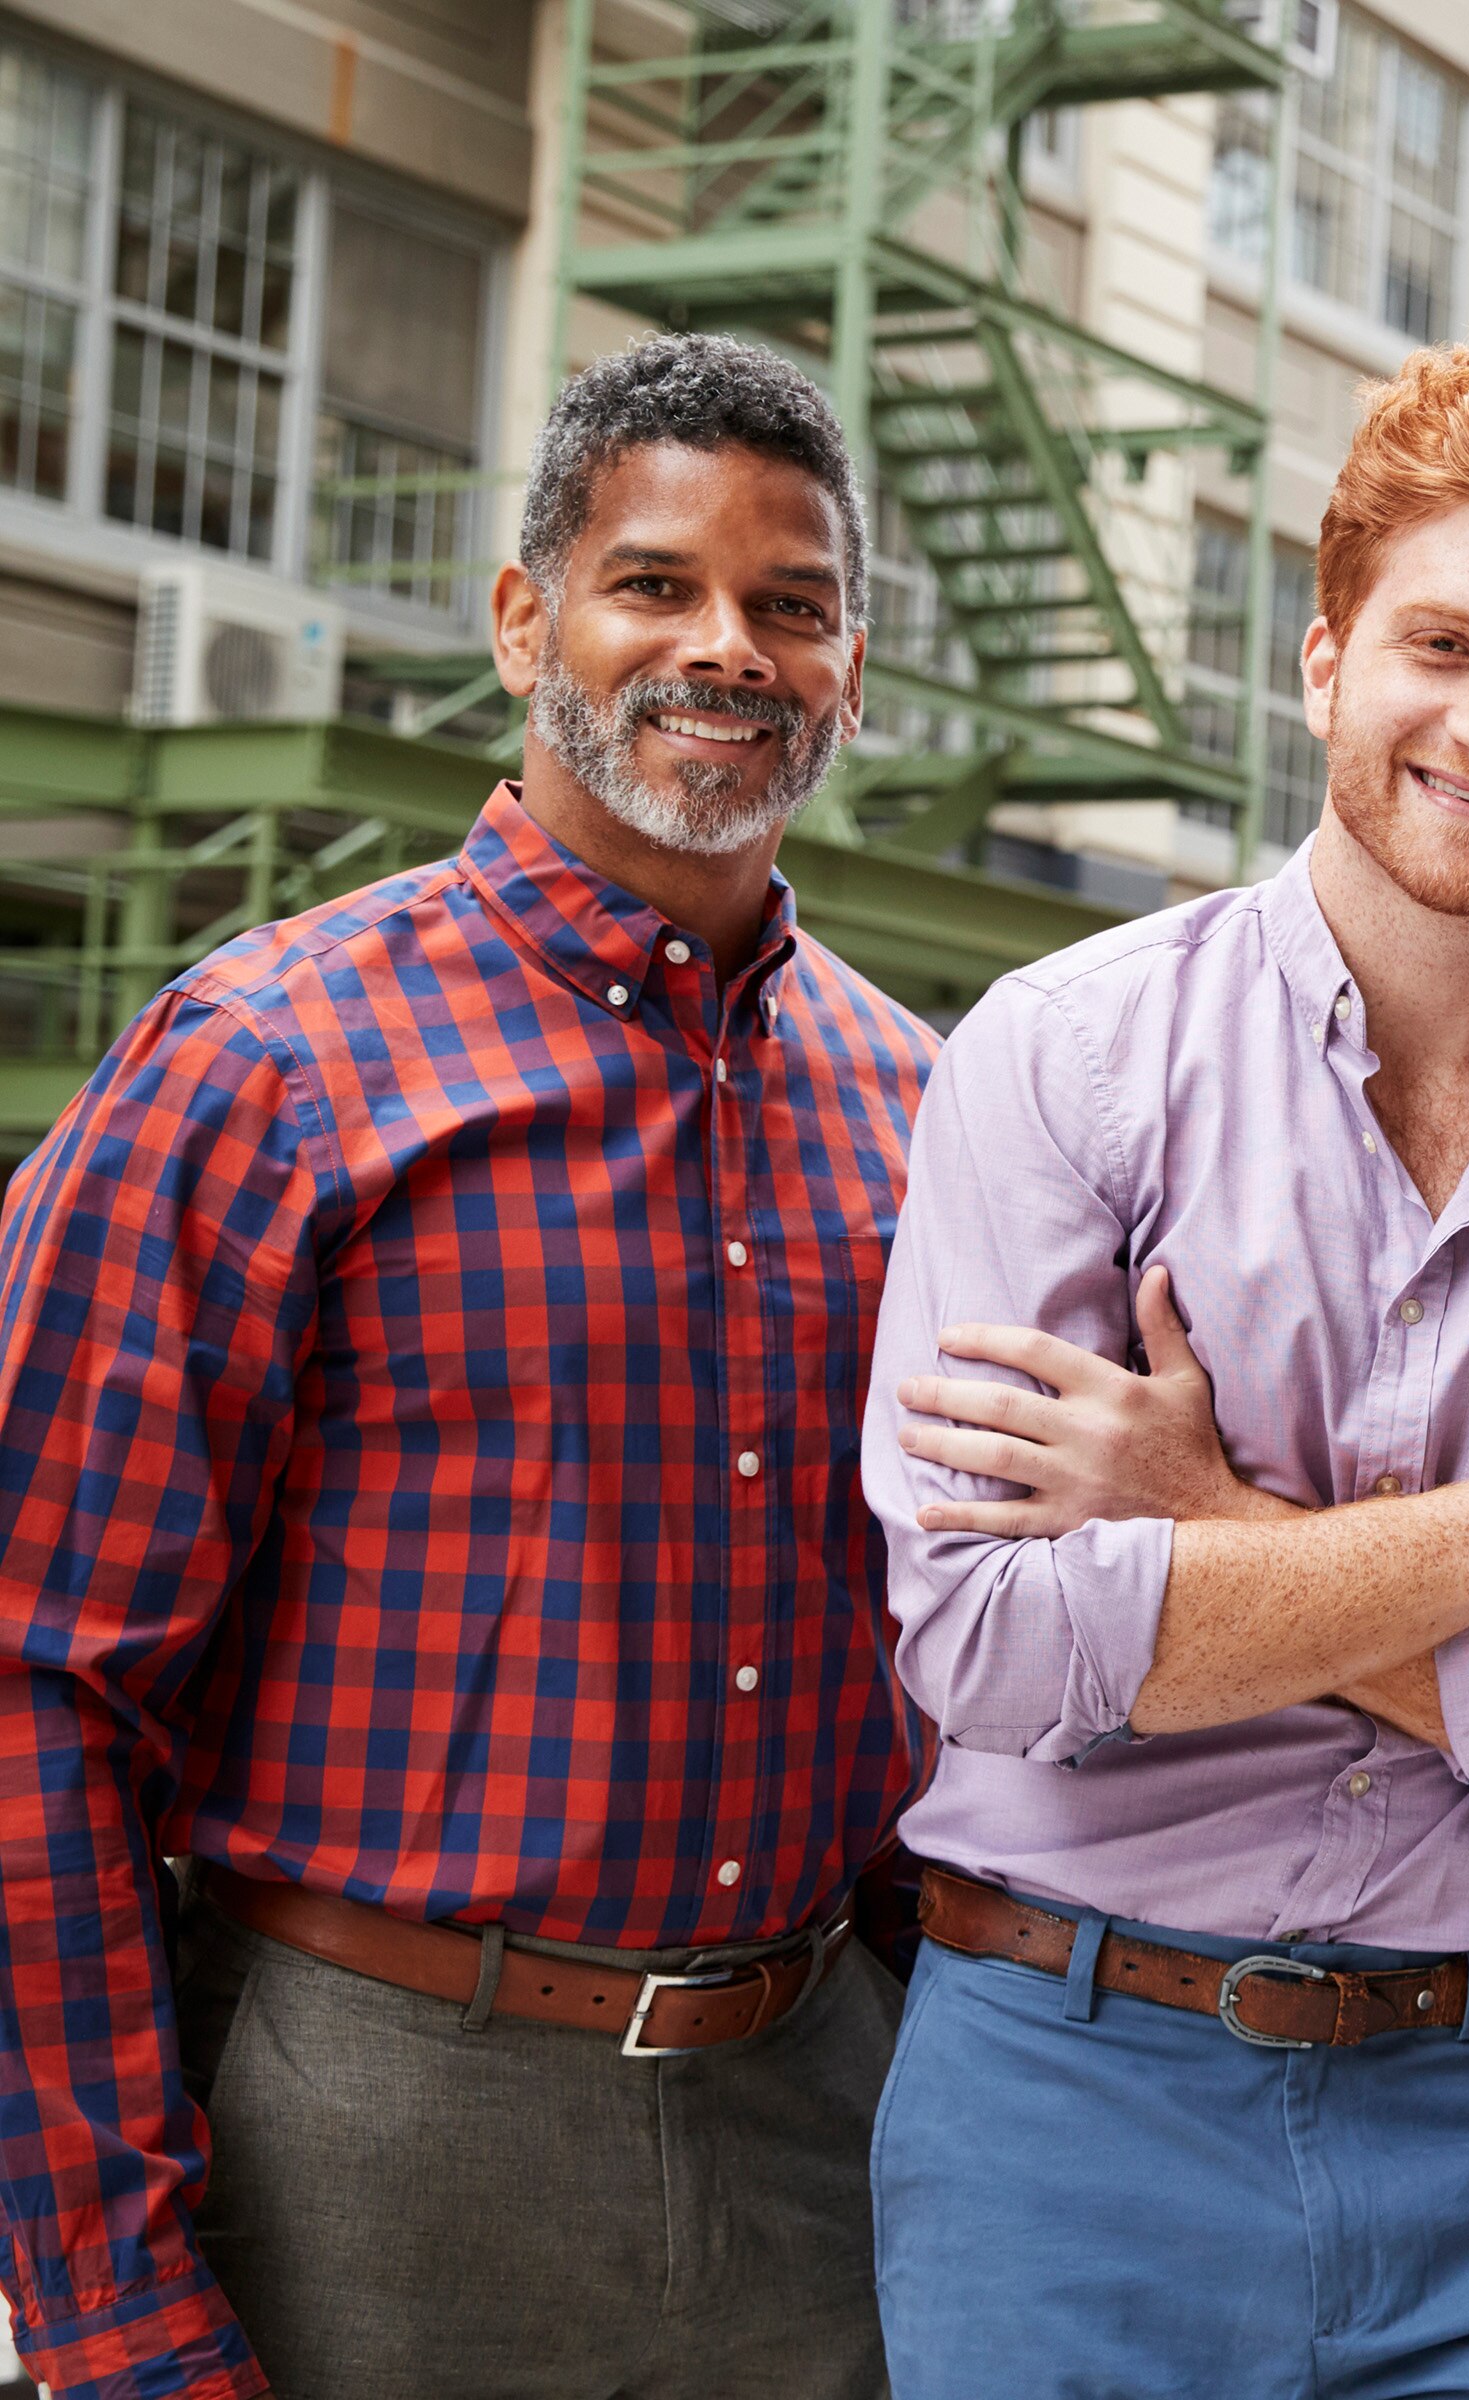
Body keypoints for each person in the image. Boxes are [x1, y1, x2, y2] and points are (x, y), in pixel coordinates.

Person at [856, 343, 1469, 2399]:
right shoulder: (1063, 1056)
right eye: (1440, 645)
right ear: (1321, 663)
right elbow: (992, 1644)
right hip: (1066, 2111)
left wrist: (1210, 1537)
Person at [0, 334, 927, 2400]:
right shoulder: (259, 1068)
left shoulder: (919, 1114)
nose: (731, 650)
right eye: (657, 585)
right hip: (366, 2131)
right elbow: (35, 1698)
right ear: (527, 616)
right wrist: (110, 2305)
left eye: (793, 606)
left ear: (848, 662)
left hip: (817, 2133)